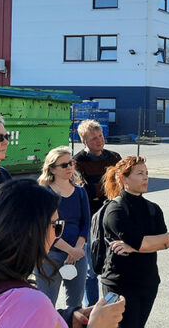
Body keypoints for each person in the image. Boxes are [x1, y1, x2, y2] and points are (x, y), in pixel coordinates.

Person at [0, 178, 125, 328]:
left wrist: (67, 317)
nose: (57, 234)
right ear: (32, 231)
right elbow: (24, 312)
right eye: (56, 226)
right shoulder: (29, 302)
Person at [100, 156, 169, 327]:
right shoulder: (115, 209)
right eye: (140, 173)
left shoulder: (153, 209)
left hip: (148, 282)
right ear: (124, 178)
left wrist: (133, 247)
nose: (146, 177)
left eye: (146, 173)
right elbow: (142, 242)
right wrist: (143, 244)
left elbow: (167, 241)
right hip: (120, 284)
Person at [73, 119, 122, 305]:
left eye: (100, 136)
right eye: (93, 138)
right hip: (91, 220)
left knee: (113, 267)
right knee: (91, 271)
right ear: (84, 141)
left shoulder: (115, 157)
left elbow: (122, 185)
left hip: (114, 220)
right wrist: (108, 186)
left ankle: (111, 307)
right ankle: (92, 310)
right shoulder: (77, 162)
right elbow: (85, 192)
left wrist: (98, 189)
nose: (99, 140)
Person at [37, 146, 91, 312]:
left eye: (71, 163)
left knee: (75, 306)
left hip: (77, 253)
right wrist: (70, 250)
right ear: (52, 169)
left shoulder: (81, 192)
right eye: (64, 165)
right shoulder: (43, 193)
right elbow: (44, 228)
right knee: (46, 305)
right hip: (50, 255)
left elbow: (85, 224)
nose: (69, 167)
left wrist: (77, 249)